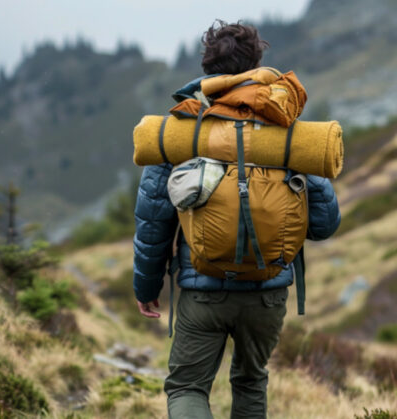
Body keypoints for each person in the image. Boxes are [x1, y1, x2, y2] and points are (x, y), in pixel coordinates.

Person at [132, 21, 341, 419]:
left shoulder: (180, 132)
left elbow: (153, 222)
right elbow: (324, 224)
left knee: (187, 387)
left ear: (208, 66)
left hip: (202, 289)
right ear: (255, 63)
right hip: (267, 291)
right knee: (250, 380)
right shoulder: (285, 131)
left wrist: (146, 285)